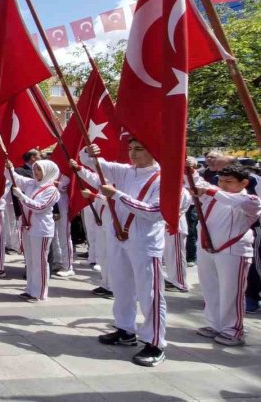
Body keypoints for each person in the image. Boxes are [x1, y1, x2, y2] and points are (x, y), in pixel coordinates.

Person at [75, 140, 170, 367]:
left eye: (139, 148)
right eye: (131, 149)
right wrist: (89, 151)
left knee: (150, 294)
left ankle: (155, 342)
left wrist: (117, 195)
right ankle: (126, 330)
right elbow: (89, 160)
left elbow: (155, 211)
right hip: (120, 238)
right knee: (121, 287)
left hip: (145, 243)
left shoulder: (164, 178)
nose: (133, 154)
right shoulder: (126, 171)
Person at [191, 164, 261, 346]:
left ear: (244, 182)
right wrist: (189, 171)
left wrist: (210, 190)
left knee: (231, 291)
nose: (222, 185)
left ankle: (233, 329)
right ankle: (214, 323)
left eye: (228, 182)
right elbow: (196, 181)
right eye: (220, 180)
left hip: (233, 251)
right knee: (210, 288)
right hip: (208, 249)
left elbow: (234, 201)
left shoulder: (251, 200)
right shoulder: (214, 193)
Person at [9, 159, 61, 303]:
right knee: (30, 261)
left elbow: (39, 207)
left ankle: (40, 292)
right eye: (35, 169)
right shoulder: (32, 183)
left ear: (47, 172)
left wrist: (21, 196)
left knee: (40, 262)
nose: (36, 172)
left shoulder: (52, 190)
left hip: (41, 229)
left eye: (39, 170)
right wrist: (9, 167)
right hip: (28, 227)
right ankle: (31, 289)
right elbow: (15, 178)